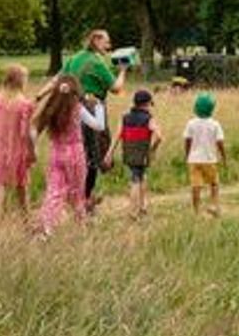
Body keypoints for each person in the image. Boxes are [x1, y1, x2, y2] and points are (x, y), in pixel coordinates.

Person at [61, 29, 126, 211]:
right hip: (92, 108)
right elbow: (116, 88)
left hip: (70, 110)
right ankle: (86, 200)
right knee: (92, 156)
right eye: (107, 42)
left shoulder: (74, 58)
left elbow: (60, 79)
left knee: (77, 154)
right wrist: (123, 71)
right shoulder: (96, 62)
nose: (109, 46)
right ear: (96, 40)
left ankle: (74, 197)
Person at [33, 74, 105, 238]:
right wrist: (99, 106)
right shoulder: (77, 108)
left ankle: (46, 228)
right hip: (75, 155)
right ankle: (81, 228)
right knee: (77, 193)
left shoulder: (52, 108)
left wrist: (33, 148)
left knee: (54, 191)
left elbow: (34, 130)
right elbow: (98, 126)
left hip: (56, 153)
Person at [0, 65, 37, 227]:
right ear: (20, 81)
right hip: (17, 150)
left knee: (9, 188)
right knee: (17, 187)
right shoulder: (25, 104)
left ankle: (18, 226)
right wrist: (32, 152)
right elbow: (25, 133)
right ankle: (20, 225)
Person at [104, 89, 161, 218]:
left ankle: (141, 206)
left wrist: (109, 154)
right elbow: (159, 136)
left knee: (139, 176)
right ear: (147, 104)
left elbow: (117, 136)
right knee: (138, 178)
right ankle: (135, 210)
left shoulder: (125, 118)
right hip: (143, 153)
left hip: (129, 152)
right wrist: (152, 150)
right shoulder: (148, 118)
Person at [183, 92, 226, 217]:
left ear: (196, 107)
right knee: (214, 183)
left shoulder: (191, 123)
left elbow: (187, 140)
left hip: (194, 159)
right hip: (209, 159)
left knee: (195, 186)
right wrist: (223, 156)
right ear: (212, 108)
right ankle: (213, 205)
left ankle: (197, 212)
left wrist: (187, 155)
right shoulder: (215, 124)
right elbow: (220, 142)